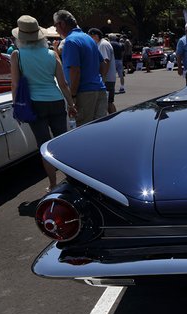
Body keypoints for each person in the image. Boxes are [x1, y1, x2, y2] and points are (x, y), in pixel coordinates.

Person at [11, 15, 77, 192]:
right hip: (56, 101)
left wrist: (16, 106)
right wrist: (71, 104)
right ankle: (72, 180)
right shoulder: (51, 53)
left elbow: (15, 84)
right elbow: (63, 84)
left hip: (35, 104)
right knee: (62, 142)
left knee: (44, 145)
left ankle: (53, 183)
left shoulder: (17, 55)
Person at [53, 10, 107, 126]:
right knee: (100, 130)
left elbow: (75, 71)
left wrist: (72, 96)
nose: (56, 30)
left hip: (84, 93)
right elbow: (103, 64)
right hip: (99, 89)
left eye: (55, 25)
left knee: (84, 132)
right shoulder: (88, 38)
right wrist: (99, 80)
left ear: (62, 24)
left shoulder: (70, 41)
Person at [88, 28, 116, 114]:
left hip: (107, 79)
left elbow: (105, 62)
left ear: (96, 36)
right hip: (107, 78)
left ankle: (114, 120)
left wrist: (102, 79)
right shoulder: (101, 44)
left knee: (108, 102)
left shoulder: (103, 44)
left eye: (90, 37)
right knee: (108, 102)